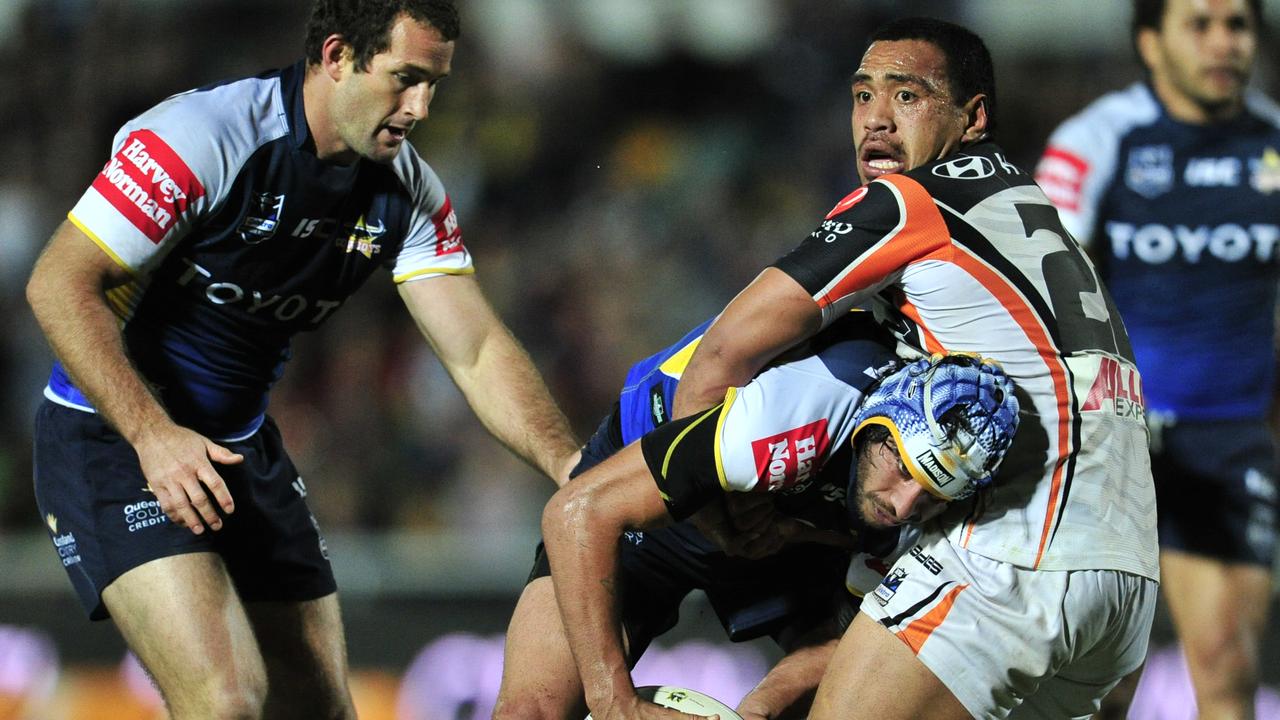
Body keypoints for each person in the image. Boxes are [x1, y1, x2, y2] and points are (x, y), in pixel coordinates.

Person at [23, 1, 580, 718]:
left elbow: (475, 348)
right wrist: (152, 435)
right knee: (226, 703)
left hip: (241, 449)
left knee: (322, 711)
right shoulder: (202, 138)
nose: (420, 109)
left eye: (434, 86)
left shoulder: (407, 192)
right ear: (338, 55)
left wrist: (569, 465)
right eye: (405, 79)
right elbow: (58, 285)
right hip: (114, 439)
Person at [630, 16, 1158, 720]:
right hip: (1127, 589)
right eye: (862, 96)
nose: (875, 120)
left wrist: (716, 515)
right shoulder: (1038, 219)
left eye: (907, 97)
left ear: (972, 118)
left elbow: (727, 350)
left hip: (1014, 556)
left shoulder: (911, 202)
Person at [498, 309, 1020, 720]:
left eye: (931, 494)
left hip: (795, 546)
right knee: (530, 712)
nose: (903, 506)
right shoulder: (798, 414)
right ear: (878, 425)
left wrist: (759, 706)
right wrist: (614, 703)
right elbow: (576, 511)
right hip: (656, 493)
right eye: (904, 469)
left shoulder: (936, 522)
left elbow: (856, 645)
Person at [1035, 1, 1278, 716]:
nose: (1223, 43)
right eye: (1199, 24)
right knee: (1101, 684)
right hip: (1114, 440)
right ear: (1151, 41)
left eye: (1238, 24)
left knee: (1229, 668)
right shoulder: (1096, 141)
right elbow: (1037, 281)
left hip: (1228, 441)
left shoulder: (1272, 143)